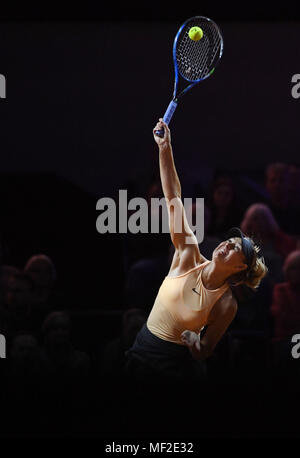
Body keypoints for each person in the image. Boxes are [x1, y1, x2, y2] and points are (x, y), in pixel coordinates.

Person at [125, 119, 268, 379]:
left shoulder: (226, 305)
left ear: (240, 268)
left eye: (235, 247)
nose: (227, 243)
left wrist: (194, 342)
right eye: (230, 239)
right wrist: (164, 148)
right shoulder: (187, 254)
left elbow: (205, 350)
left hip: (172, 368)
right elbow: (173, 198)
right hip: (139, 351)